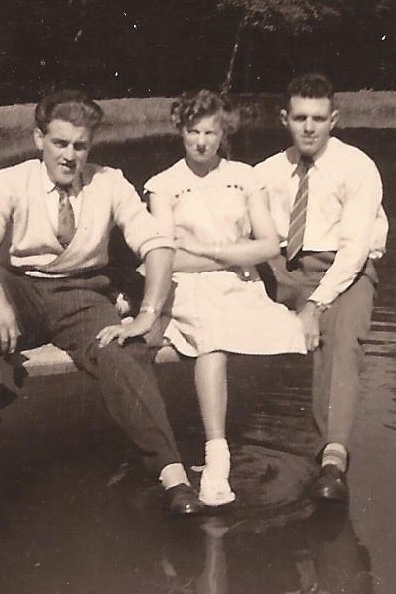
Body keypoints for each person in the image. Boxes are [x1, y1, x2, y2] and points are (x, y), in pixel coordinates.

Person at [0, 90, 204, 515]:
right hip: (21, 290)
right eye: (60, 143)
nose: (70, 156)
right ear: (40, 139)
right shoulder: (11, 180)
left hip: (83, 297)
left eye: (80, 146)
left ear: (90, 146)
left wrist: (146, 315)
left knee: (123, 354)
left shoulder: (110, 182)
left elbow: (157, 244)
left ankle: (172, 475)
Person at [98, 90, 306, 507]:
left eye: (211, 132)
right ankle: (217, 456)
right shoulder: (165, 185)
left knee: (295, 329)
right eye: (193, 131)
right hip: (185, 287)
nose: (202, 141)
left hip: (240, 285)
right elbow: (165, 256)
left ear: (223, 133)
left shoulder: (245, 177)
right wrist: (227, 255)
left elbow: (267, 245)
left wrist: (211, 253)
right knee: (210, 338)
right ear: (181, 131)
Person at [254, 73, 389, 502]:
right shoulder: (266, 172)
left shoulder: (358, 167)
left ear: (334, 119)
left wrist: (315, 305)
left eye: (318, 118)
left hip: (343, 271)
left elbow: (353, 251)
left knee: (343, 338)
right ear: (285, 119)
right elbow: (239, 233)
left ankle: (333, 458)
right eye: (299, 118)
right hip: (283, 267)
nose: (309, 127)